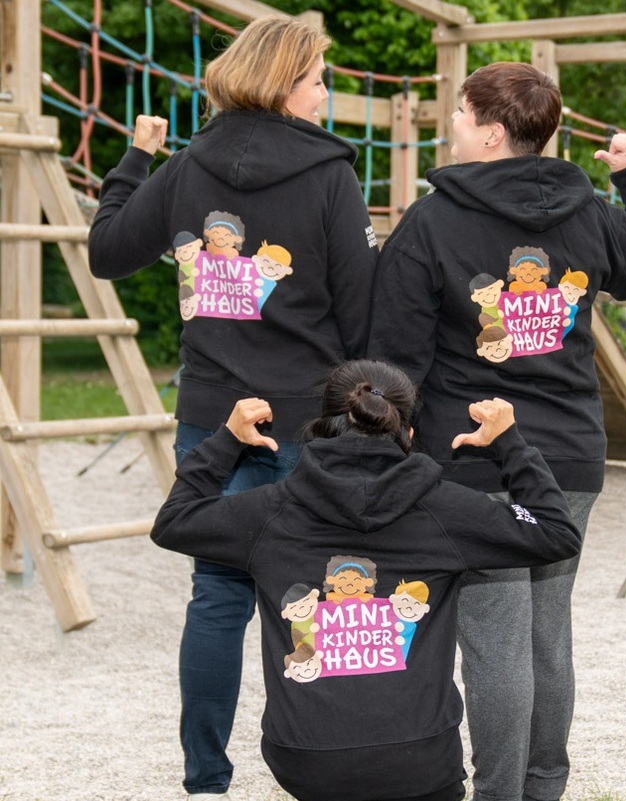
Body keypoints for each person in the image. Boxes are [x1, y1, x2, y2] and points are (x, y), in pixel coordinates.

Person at [367, 62, 626, 801]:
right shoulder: (590, 214)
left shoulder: (432, 222)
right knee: (547, 627)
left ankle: (501, 792)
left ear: (487, 131)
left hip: (476, 459)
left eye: (457, 111)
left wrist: (389, 457)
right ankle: (544, 785)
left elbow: (395, 356)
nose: (449, 122)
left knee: (496, 633)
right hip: (571, 455)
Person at [88, 16, 379, 800]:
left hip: (215, 416)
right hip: (309, 419)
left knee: (216, 594)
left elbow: (108, 249)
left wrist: (135, 157)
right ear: (286, 83)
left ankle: (205, 781)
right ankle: (325, 770)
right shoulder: (331, 177)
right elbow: (360, 319)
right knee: (320, 596)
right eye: (320, 77)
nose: (328, 91)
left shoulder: (188, 167)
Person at [149, 358, 582, 801]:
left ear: (321, 425)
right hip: (420, 761)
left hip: (304, 758)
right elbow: (556, 532)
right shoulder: (446, 509)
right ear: (410, 433)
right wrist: (510, 444)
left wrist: (226, 442)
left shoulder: (270, 512)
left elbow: (174, 521)